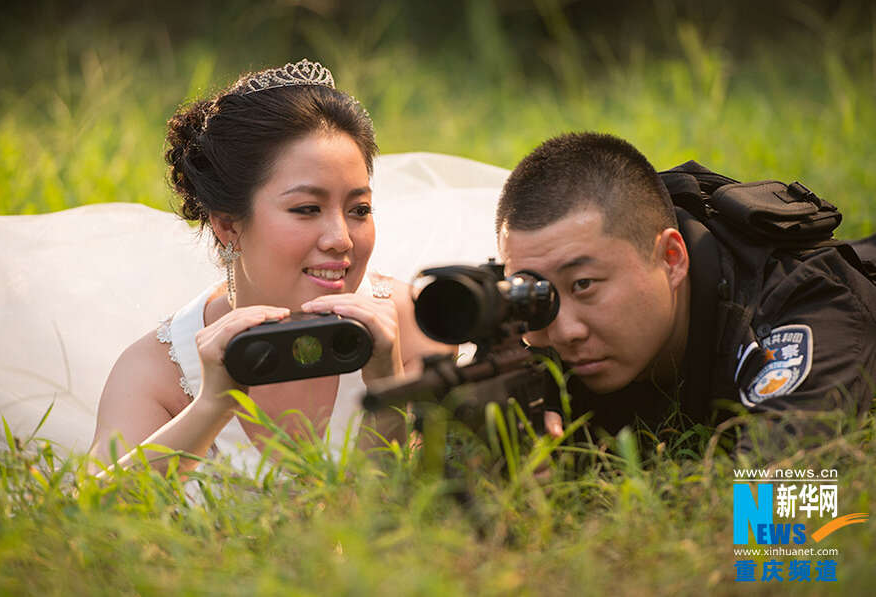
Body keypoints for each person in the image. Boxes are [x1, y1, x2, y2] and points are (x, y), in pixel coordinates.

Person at [89, 59, 450, 473]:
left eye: (359, 209)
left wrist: (388, 385)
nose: (341, 239)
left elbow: (410, 498)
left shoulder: (417, 324)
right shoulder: (157, 371)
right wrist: (211, 407)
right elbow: (94, 504)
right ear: (228, 225)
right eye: (307, 208)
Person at [495, 132, 876, 444]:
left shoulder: (801, 307)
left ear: (671, 258)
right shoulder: (539, 334)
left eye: (583, 285)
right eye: (535, 293)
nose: (565, 332)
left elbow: (773, 500)